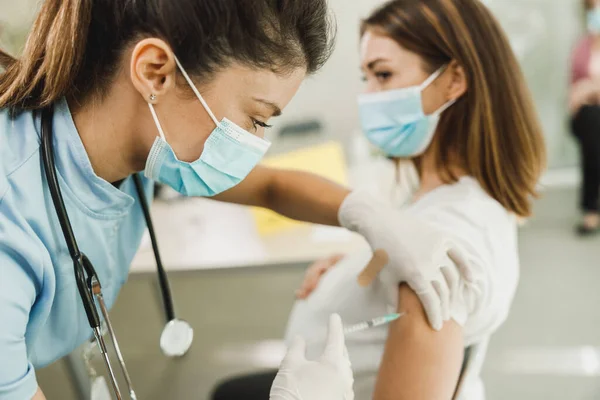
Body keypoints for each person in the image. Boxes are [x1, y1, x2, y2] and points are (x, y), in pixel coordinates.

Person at [0, 0, 474, 399]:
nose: (254, 142)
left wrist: (370, 215)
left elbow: (271, 187)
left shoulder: (130, 133)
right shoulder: (9, 236)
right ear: (155, 72)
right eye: (256, 119)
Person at [211, 0, 546, 399]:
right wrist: (355, 274)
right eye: (366, 77)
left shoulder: (436, 253)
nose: (367, 96)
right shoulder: (463, 196)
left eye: (383, 75)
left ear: (454, 79)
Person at [570, 0, 600, 235]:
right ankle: (591, 209)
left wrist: (591, 88)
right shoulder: (582, 49)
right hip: (589, 117)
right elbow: (573, 94)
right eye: (594, 10)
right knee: (591, 121)